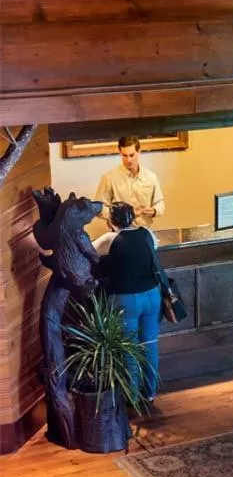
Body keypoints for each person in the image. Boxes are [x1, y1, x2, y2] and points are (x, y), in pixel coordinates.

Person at [93, 202, 166, 405]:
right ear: (133, 218)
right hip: (152, 295)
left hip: (126, 298)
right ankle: (150, 393)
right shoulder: (147, 234)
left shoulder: (109, 239)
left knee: (129, 348)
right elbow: (154, 248)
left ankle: (131, 396)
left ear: (110, 220)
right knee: (150, 344)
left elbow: (89, 252)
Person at [95, 136, 165, 229]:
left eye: (132, 155)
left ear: (139, 151)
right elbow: (98, 208)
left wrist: (155, 211)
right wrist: (121, 214)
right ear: (120, 153)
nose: (128, 160)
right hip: (119, 234)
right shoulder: (109, 178)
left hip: (144, 233)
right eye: (124, 155)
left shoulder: (151, 177)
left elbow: (160, 204)